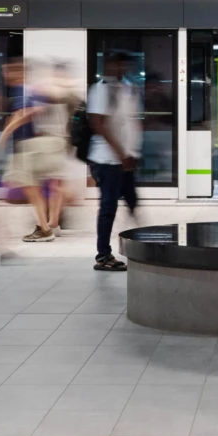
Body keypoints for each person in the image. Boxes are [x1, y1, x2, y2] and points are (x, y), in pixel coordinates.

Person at [0, 59, 78, 242]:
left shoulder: (35, 90)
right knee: (54, 183)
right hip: (58, 141)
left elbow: (28, 112)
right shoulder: (57, 92)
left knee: (31, 185)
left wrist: (7, 132)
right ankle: (52, 224)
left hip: (41, 143)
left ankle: (45, 228)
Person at [87, 51, 142, 271]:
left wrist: (131, 153)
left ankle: (141, 245)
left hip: (124, 159)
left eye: (124, 65)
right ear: (109, 65)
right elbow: (98, 125)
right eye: (118, 64)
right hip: (107, 160)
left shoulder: (125, 89)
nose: (122, 68)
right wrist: (120, 154)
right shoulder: (101, 90)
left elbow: (128, 123)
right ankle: (103, 256)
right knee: (108, 207)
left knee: (132, 200)